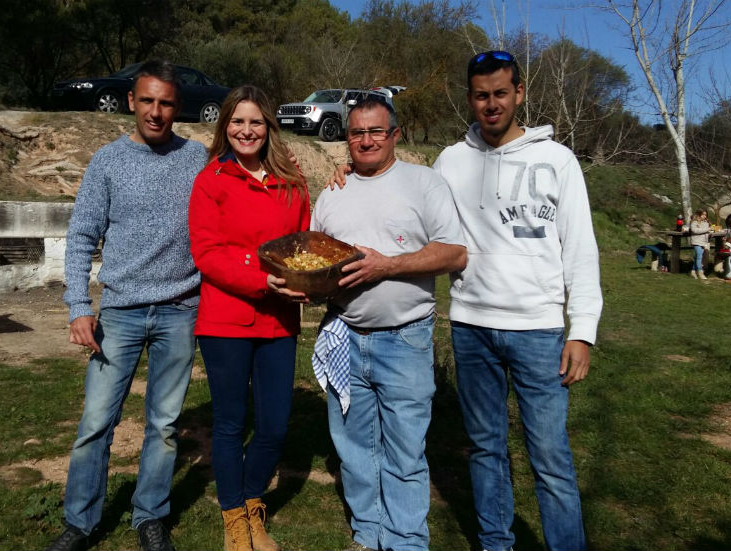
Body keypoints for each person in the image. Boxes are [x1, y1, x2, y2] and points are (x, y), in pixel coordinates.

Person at [432, 50, 603, 551]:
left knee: (550, 457)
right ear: (470, 98)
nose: (492, 104)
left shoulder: (558, 160)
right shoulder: (450, 161)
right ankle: (495, 544)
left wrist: (582, 331)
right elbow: (414, 209)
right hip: (471, 328)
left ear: (519, 93)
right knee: (485, 450)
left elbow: (581, 249)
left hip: (539, 332)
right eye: (481, 95)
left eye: (501, 93)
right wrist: (349, 172)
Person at [50, 60, 207, 551]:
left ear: (177, 108)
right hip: (119, 313)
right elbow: (82, 236)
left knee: (164, 425)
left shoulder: (198, 159)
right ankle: (80, 522)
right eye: (148, 101)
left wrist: (340, 171)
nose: (156, 112)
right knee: (96, 423)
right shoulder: (107, 161)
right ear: (131, 102)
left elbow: (250, 167)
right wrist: (79, 306)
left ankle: (150, 516)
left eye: (166, 103)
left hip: (180, 310)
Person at [311, 95, 467, 551]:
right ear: (347, 138)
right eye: (357, 132)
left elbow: (454, 252)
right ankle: (367, 533)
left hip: (405, 339)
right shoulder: (333, 192)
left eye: (376, 131)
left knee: (404, 450)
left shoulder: (424, 183)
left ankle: (405, 541)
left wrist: (388, 265)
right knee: (354, 449)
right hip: (343, 334)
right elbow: (315, 258)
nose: (366, 140)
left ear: (395, 134)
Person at [188, 85, 310, 551]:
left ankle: (253, 500)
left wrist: (307, 280)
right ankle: (234, 517)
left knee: (275, 425)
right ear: (225, 127)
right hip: (226, 321)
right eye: (237, 121)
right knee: (230, 424)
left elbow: (303, 241)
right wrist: (261, 278)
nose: (246, 130)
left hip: (279, 321)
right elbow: (207, 253)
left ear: (269, 127)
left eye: (255, 121)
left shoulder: (291, 181)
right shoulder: (211, 180)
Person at [688, 209, 711, 279]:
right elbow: (695, 230)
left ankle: (693, 271)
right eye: (703, 214)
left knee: (698, 257)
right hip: (696, 241)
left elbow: (706, 231)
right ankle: (700, 273)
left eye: (705, 215)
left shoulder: (706, 223)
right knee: (699, 256)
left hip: (703, 242)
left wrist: (709, 232)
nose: (704, 216)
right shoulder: (694, 222)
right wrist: (707, 229)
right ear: (699, 214)